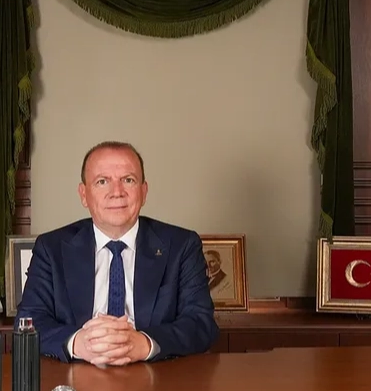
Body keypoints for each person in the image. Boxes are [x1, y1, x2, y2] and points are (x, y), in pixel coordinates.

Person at [14, 141, 219, 366]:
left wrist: (144, 343)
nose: (117, 192)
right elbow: (28, 321)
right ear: (84, 194)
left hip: (157, 374)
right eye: (102, 182)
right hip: (76, 374)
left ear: (144, 192)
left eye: (128, 180)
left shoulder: (182, 245)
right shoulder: (51, 248)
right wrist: (79, 343)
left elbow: (201, 323)